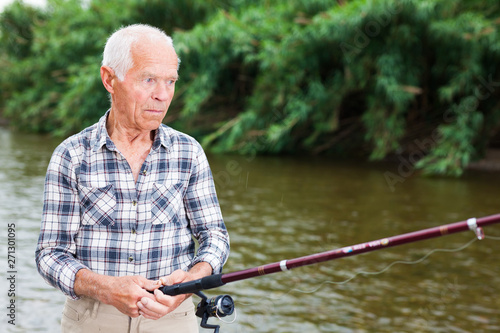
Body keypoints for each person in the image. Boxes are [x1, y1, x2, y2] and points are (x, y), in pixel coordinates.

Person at [35, 24, 230, 332]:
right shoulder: (70, 155)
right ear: (109, 79)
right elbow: (50, 255)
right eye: (149, 79)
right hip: (91, 319)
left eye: (170, 82)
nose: (162, 95)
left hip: (174, 318)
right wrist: (106, 288)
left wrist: (193, 279)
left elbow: (215, 238)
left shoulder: (189, 152)